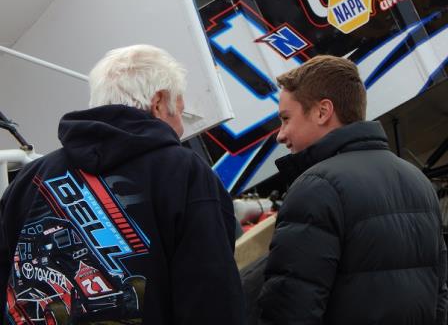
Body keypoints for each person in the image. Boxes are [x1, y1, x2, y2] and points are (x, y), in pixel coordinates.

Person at [0, 44, 245, 324]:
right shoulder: (185, 171)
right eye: (180, 113)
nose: (180, 129)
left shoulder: (31, 178)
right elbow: (210, 293)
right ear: (159, 102)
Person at [258, 55, 448, 324]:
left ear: (323, 112)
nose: (280, 134)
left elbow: (290, 309)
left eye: (286, 119)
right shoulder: (417, 180)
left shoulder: (315, 188)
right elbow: (439, 297)